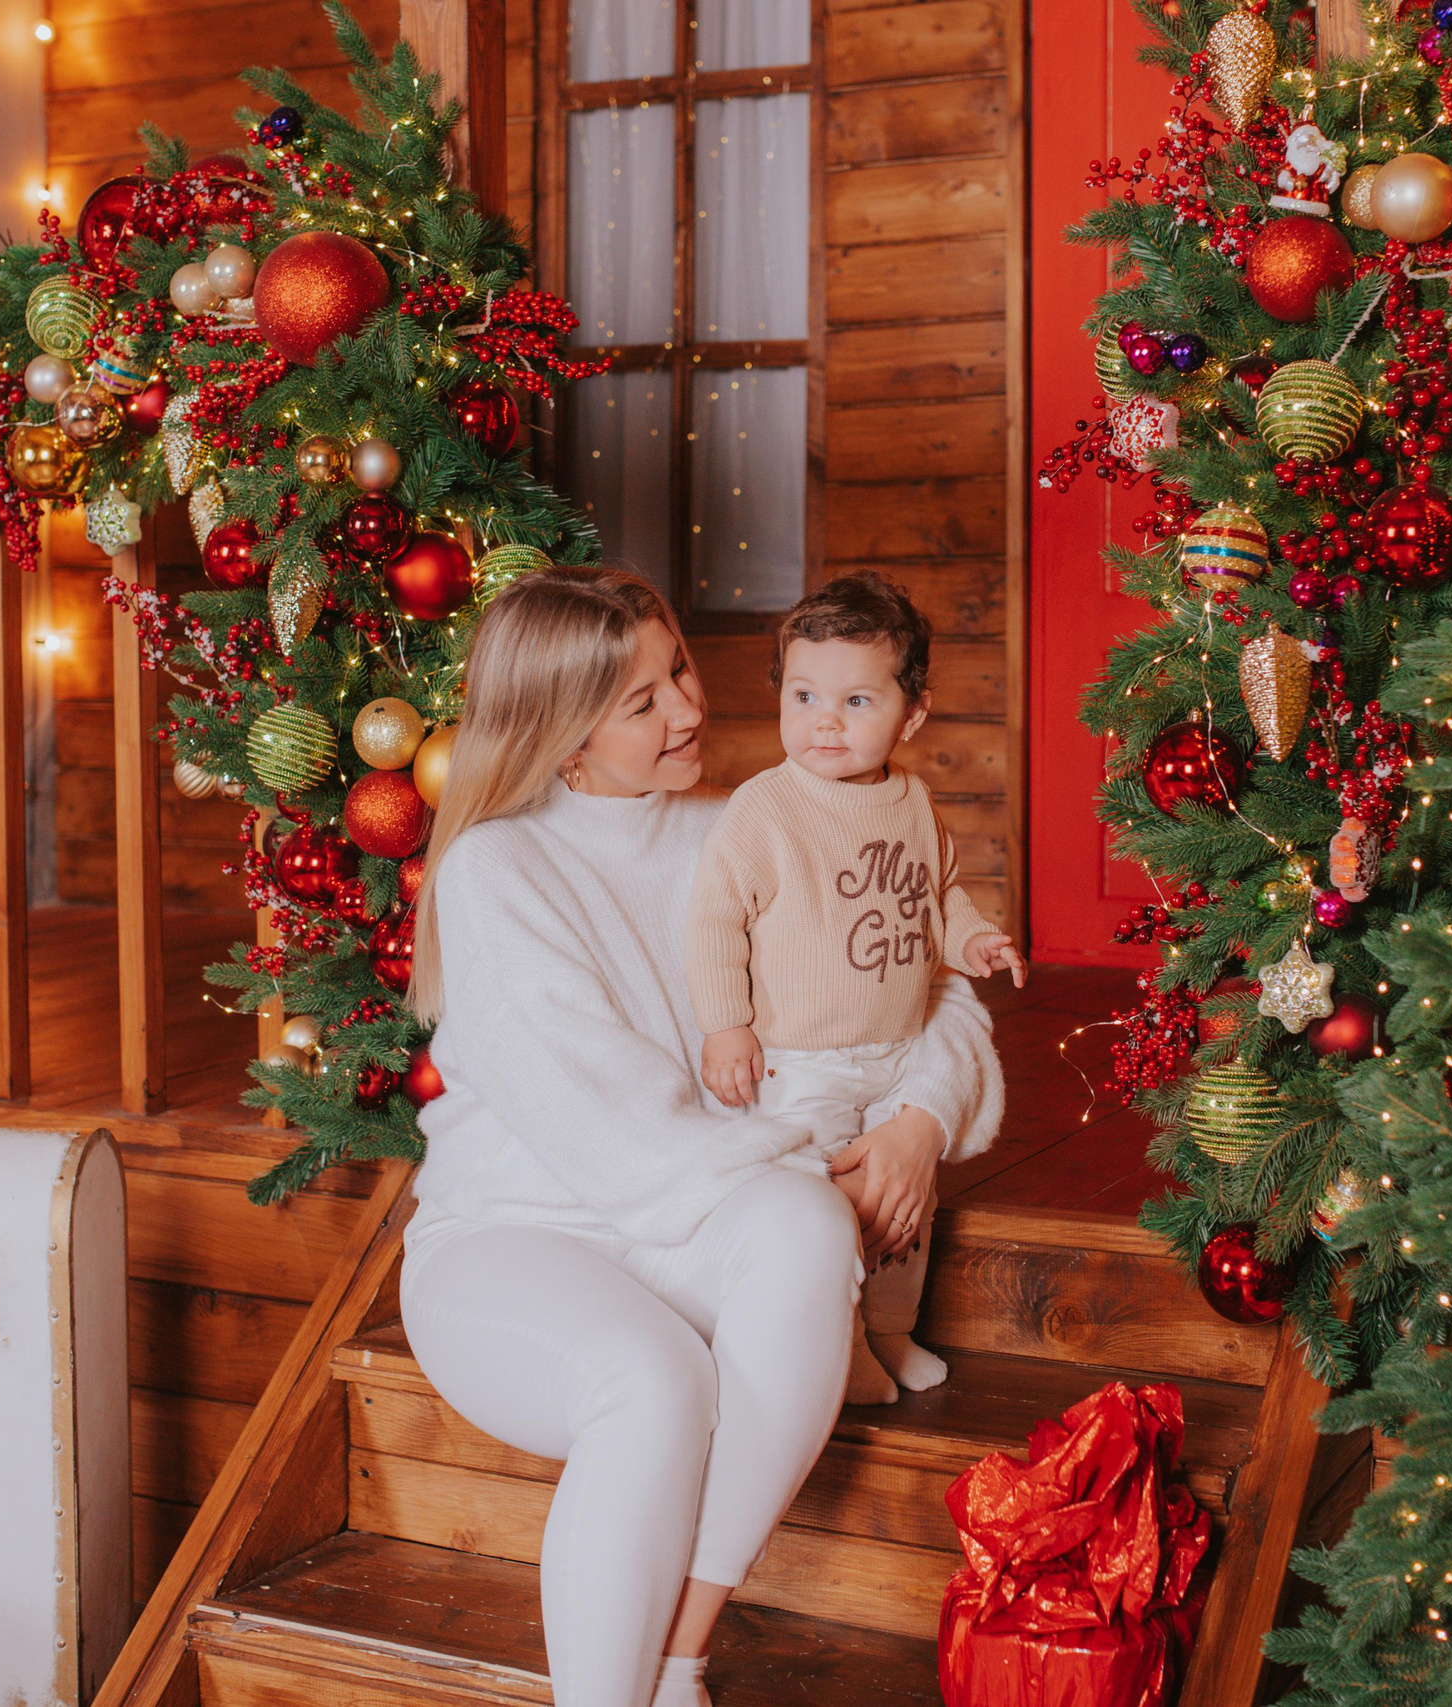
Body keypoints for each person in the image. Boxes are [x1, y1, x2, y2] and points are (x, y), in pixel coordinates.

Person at [398, 569, 1002, 1707]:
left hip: (696, 1216)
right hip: (517, 1241)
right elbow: (613, 1125)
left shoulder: (748, 821)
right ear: (560, 733)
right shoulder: (498, 869)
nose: (687, 708)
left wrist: (921, 1119)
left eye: (677, 668)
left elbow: (914, 970)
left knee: (801, 1232)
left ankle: (678, 1659)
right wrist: (803, 1161)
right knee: (656, 1380)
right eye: (640, 702)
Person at [686, 574, 1025, 1406]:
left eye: (856, 699)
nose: (824, 720)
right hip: (804, 1062)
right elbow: (713, 922)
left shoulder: (912, 799)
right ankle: (836, 1345)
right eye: (803, 695)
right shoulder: (763, 810)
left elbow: (937, 893)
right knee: (832, 1209)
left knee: (906, 1211)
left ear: (911, 715)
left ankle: (890, 1329)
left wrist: (972, 935)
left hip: (900, 1050)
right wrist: (728, 1025)